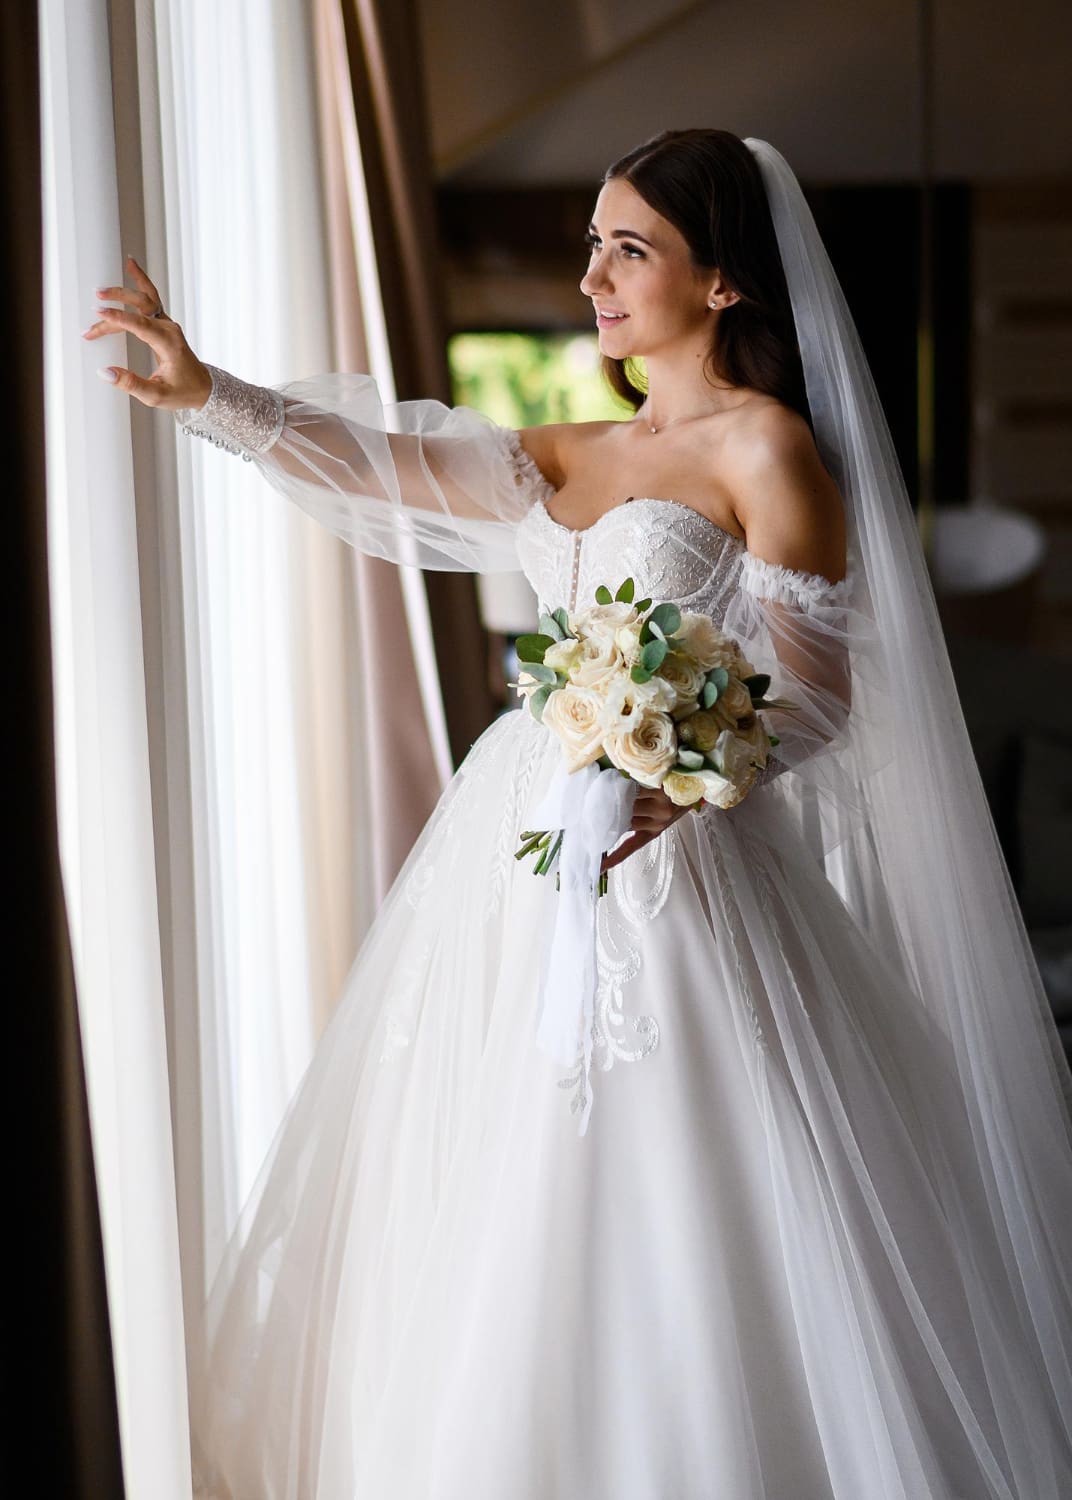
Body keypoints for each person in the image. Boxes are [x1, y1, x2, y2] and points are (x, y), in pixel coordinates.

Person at [85, 130, 1072, 1499]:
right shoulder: (574, 444)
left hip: (680, 869)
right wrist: (212, 395)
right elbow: (382, 465)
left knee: (672, 1175)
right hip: (519, 854)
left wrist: (677, 776)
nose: (594, 276)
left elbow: (825, 694)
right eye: (595, 243)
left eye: (631, 248)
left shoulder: (767, 447)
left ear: (723, 282)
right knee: (502, 1181)